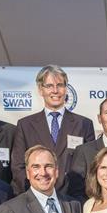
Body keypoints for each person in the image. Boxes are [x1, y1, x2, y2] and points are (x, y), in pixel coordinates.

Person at [10, 65, 96, 195]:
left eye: (60, 85)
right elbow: (18, 167)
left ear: (66, 89)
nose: (55, 91)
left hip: (72, 200)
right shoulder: (25, 125)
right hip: (35, 200)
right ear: (40, 90)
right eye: (49, 86)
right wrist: (35, 194)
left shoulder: (84, 124)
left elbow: (91, 166)